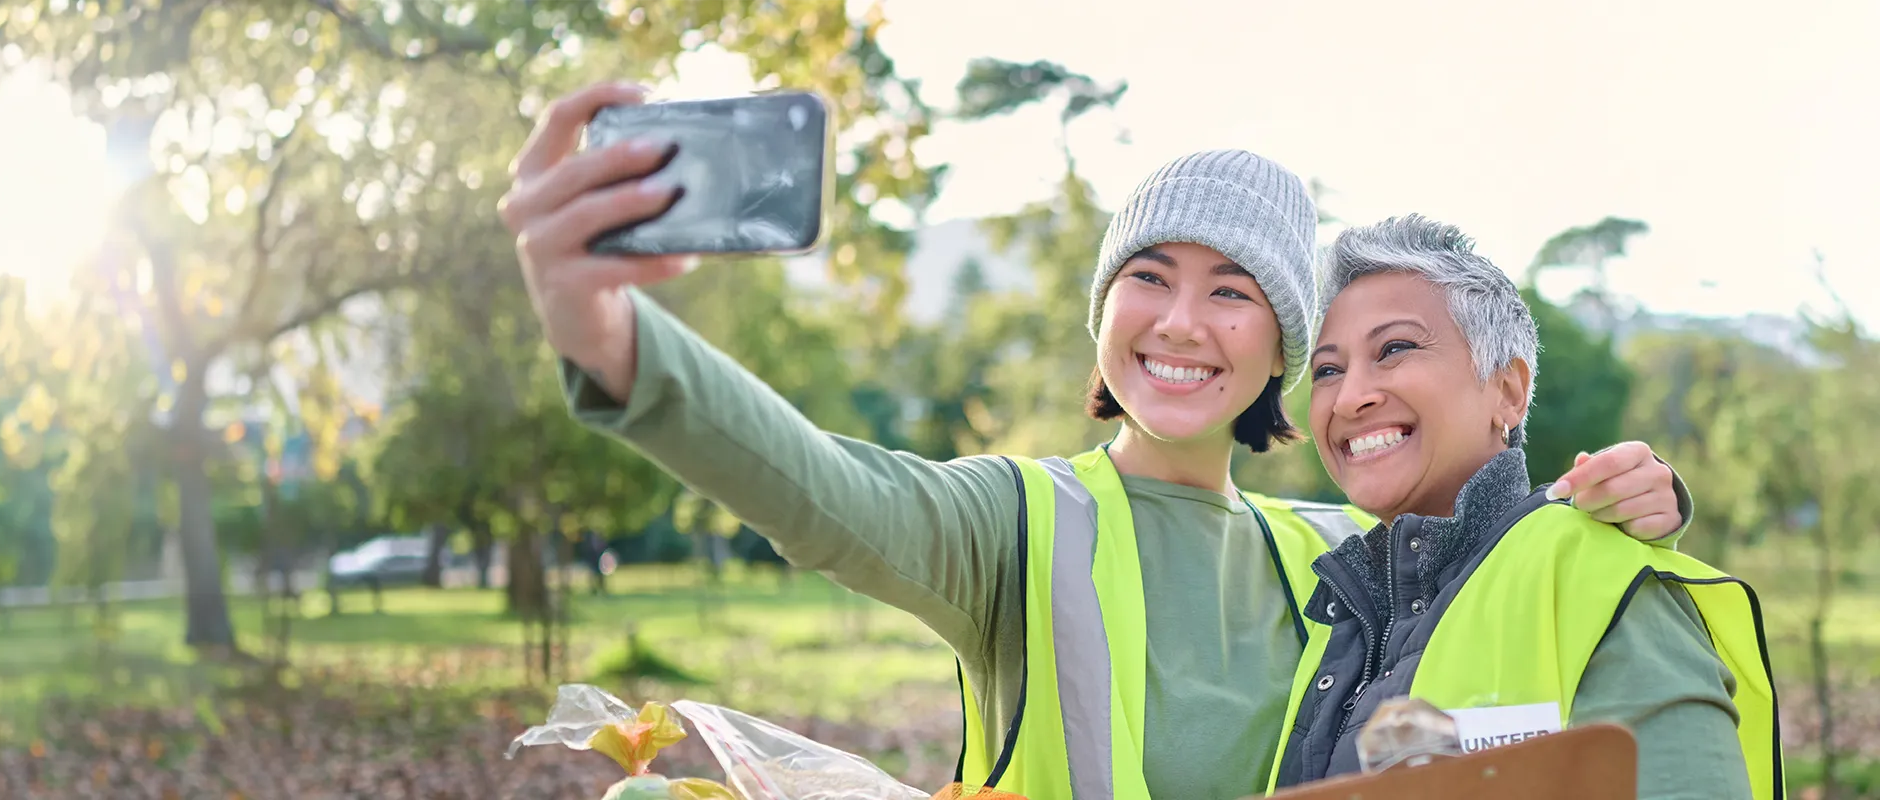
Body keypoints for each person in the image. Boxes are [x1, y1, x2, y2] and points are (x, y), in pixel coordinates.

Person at [501, 82, 1697, 800]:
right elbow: (815, 484)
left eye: (1234, 292)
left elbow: (1508, 571)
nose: (1181, 322)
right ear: (1105, 311)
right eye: (1149, 277)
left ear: (1280, 348)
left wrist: (1631, 492)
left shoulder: (1344, 554)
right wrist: (610, 335)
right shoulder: (1013, 525)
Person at [1268, 215, 1779, 799]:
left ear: (1508, 391)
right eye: (1329, 370)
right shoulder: (1339, 620)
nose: (1352, 396)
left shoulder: (1595, 575)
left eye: (1395, 349)